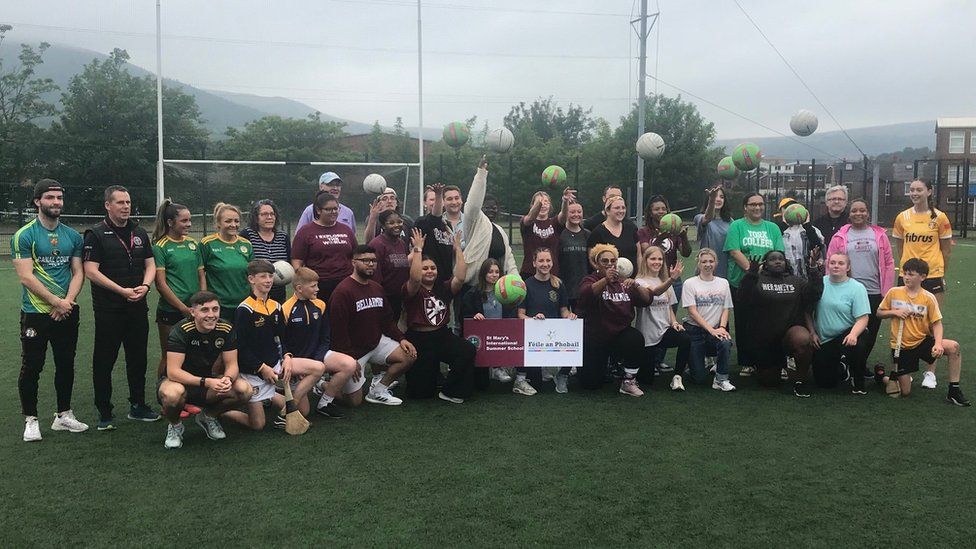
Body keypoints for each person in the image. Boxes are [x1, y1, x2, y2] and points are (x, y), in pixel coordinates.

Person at [13, 179, 89, 441]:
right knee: (32, 366)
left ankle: (63, 415)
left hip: (67, 310)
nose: (56, 202)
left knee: (65, 364)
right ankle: (31, 419)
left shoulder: (72, 236)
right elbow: (26, 276)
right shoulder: (24, 235)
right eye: (50, 198)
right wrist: (56, 302)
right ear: (37, 201)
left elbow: (78, 272)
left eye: (59, 197)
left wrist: (67, 301)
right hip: (35, 312)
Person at [83, 185, 159, 430]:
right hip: (109, 310)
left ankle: (138, 406)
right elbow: (90, 272)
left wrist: (146, 287)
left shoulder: (139, 232)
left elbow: (150, 265)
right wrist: (121, 291)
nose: (126, 206)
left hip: (138, 307)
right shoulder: (95, 233)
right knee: (104, 361)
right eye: (120, 202)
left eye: (128, 202)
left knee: (138, 359)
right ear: (108, 205)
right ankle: (105, 412)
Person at [223, 260, 326, 431]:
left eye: (270, 276)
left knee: (317, 369)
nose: (268, 280)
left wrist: (286, 357)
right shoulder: (244, 309)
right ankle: (220, 412)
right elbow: (240, 348)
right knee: (257, 425)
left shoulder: (276, 306)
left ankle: (285, 410)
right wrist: (262, 368)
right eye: (263, 276)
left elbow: (282, 339)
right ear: (251, 279)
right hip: (255, 372)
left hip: (276, 366)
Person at [156, 291, 252, 449]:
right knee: (173, 395)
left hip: (207, 382)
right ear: (193, 312)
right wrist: (207, 382)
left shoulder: (226, 328)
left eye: (215, 309)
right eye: (205, 310)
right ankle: (175, 425)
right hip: (177, 382)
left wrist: (227, 379)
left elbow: (232, 364)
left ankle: (208, 416)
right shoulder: (181, 330)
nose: (211, 315)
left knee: (244, 390)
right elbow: (173, 372)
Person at [577, 244, 675, 396]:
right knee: (591, 384)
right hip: (596, 336)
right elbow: (585, 294)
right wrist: (605, 280)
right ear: (596, 263)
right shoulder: (590, 279)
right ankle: (607, 366)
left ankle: (628, 381)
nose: (610, 264)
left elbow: (647, 299)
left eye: (613, 261)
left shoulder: (623, 282)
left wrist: (635, 285)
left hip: (619, 334)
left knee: (635, 338)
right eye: (605, 261)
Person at [328, 245, 417, 406]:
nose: (371, 264)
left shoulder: (376, 288)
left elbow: (387, 321)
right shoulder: (342, 292)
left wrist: (401, 339)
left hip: (375, 343)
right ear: (353, 262)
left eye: (374, 261)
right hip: (353, 352)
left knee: (409, 355)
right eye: (365, 260)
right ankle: (324, 386)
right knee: (353, 402)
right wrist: (349, 360)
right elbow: (338, 333)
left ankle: (379, 390)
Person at [876, 258, 969, 406]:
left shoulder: (928, 298)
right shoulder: (894, 292)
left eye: (911, 274)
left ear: (923, 277)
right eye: (905, 273)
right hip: (902, 347)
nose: (906, 277)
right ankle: (881, 376)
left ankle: (954, 391)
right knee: (905, 392)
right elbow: (879, 312)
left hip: (922, 341)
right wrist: (895, 312)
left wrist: (938, 344)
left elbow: (937, 323)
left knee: (953, 347)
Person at [891, 179, 952, 389]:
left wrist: (941, 273)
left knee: (930, 323)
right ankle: (906, 367)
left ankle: (931, 372)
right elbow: (900, 246)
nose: (914, 193)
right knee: (906, 321)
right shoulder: (902, 217)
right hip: (908, 276)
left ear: (929, 191)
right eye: (912, 190)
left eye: (919, 189)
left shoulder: (940, 217)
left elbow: (946, 250)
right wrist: (908, 272)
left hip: (933, 275)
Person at [826, 198, 895, 382]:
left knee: (870, 332)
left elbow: (888, 263)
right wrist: (832, 286)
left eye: (862, 210)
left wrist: (886, 291)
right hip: (848, 291)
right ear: (849, 214)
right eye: (855, 210)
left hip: (873, 292)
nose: (858, 213)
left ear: (867, 213)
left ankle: (859, 365)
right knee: (850, 329)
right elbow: (830, 261)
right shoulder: (840, 236)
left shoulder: (879, 235)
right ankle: (846, 363)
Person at [402, 229, 474, 402]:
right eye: (425, 268)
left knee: (467, 350)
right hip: (418, 338)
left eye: (432, 268)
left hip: (441, 335)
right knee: (421, 395)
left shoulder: (443, 287)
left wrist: (457, 250)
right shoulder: (412, 289)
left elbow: (461, 277)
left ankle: (451, 390)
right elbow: (415, 278)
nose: (429, 271)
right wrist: (418, 250)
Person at [738, 250, 822, 396]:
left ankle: (800, 380)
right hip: (765, 340)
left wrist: (813, 268)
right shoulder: (758, 280)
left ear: (786, 263)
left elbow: (814, 293)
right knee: (769, 382)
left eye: (781, 259)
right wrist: (751, 273)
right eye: (772, 259)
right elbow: (742, 298)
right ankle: (774, 366)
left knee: (803, 338)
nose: (777, 261)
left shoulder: (796, 281)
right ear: (765, 264)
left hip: (789, 334)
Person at [282, 267, 361, 418]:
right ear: (299, 288)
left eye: (317, 285)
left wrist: (317, 361)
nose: (317, 289)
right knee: (303, 412)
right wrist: (299, 366)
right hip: (296, 360)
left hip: (318, 356)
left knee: (349, 364)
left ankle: (325, 403)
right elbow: (282, 342)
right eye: (313, 286)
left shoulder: (320, 305)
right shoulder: (285, 309)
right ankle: (275, 395)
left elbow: (325, 337)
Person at [723, 192, 785, 377]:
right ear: (745, 207)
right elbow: (734, 251)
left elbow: (778, 253)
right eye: (753, 204)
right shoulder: (737, 226)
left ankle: (771, 360)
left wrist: (766, 272)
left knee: (770, 322)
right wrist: (754, 270)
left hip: (769, 282)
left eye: (760, 204)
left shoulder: (772, 227)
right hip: (742, 283)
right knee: (744, 322)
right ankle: (747, 362)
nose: (757, 207)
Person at [152, 200, 205, 382]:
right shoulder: (160, 246)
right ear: (170, 223)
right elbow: (160, 284)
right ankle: (165, 397)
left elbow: (201, 275)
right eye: (184, 221)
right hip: (171, 311)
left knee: (191, 355)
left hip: (194, 309)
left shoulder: (193, 244)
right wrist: (183, 308)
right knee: (169, 355)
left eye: (189, 220)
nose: (189, 224)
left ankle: (188, 396)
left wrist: (202, 302)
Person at [810, 253, 872, 394]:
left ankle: (858, 379)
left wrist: (854, 335)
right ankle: (842, 366)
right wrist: (812, 332)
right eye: (832, 263)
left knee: (860, 340)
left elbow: (863, 318)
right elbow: (807, 311)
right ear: (828, 265)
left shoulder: (857, 288)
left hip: (846, 335)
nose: (836, 266)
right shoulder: (820, 283)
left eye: (840, 263)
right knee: (824, 383)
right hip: (824, 339)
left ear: (848, 267)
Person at [634, 246, 694, 391]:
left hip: (665, 330)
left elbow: (669, 307)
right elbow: (655, 292)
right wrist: (671, 280)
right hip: (647, 335)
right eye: (653, 258)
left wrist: (674, 322)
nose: (657, 262)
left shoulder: (664, 280)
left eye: (660, 259)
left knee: (685, 338)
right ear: (645, 261)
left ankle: (677, 377)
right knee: (646, 381)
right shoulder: (639, 281)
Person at [518, 248, 577, 395]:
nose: (545, 264)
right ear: (534, 263)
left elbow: (564, 310)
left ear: (552, 262)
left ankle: (562, 374)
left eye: (548, 260)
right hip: (533, 338)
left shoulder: (558, 284)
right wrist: (533, 320)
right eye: (541, 260)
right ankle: (538, 369)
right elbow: (520, 315)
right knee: (537, 384)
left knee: (574, 331)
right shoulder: (526, 285)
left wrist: (569, 316)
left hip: (554, 335)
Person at [680, 248, 736, 391]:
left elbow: (726, 308)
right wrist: (711, 330)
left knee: (725, 342)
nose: (707, 264)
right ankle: (691, 364)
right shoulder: (690, 283)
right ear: (698, 264)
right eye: (704, 261)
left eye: (711, 261)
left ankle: (721, 379)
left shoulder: (723, 283)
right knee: (698, 378)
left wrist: (722, 328)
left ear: (716, 263)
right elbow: (692, 312)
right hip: (695, 331)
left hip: (716, 329)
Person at [463, 259, 519, 388]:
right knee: (481, 385)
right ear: (483, 274)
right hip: (482, 338)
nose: (494, 275)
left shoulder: (506, 293)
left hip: (499, 336)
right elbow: (464, 317)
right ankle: (486, 368)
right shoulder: (472, 294)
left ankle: (498, 367)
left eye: (497, 272)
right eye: (490, 272)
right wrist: (473, 315)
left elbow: (511, 314)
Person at [291, 191, 357, 301]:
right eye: (328, 209)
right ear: (318, 210)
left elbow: (356, 255)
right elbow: (297, 261)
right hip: (318, 286)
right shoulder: (306, 231)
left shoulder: (346, 230)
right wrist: (305, 282)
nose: (333, 212)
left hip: (345, 283)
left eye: (336, 209)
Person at [201, 203, 253, 321]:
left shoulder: (246, 244)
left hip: (244, 305)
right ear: (218, 223)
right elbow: (200, 274)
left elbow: (251, 275)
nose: (233, 225)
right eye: (228, 221)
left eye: (236, 221)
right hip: (218, 306)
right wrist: (204, 299)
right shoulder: (207, 243)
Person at [240, 199, 291, 303]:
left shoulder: (283, 237)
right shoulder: (247, 235)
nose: (269, 217)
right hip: (254, 296)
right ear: (256, 217)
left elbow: (289, 262)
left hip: (279, 296)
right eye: (264, 214)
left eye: (272, 214)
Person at [368, 209, 411, 320]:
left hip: (399, 297)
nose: (396, 225)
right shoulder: (377, 244)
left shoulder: (401, 243)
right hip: (384, 298)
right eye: (391, 223)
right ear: (382, 225)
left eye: (399, 222)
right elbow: (374, 276)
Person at [520, 190, 569, 278]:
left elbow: (564, 216)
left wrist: (565, 201)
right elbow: (530, 218)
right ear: (532, 205)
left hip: (551, 273)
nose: (543, 204)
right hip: (529, 273)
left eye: (546, 202)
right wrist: (539, 204)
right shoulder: (527, 223)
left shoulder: (554, 223)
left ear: (550, 206)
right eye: (539, 202)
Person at [413, 183, 457, 283]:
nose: (436, 202)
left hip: (446, 280)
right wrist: (438, 194)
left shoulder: (447, 225)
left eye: (439, 199)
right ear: (424, 202)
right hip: (428, 278)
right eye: (432, 199)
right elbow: (435, 217)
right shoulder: (422, 222)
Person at [586, 195, 639, 267]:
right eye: (617, 208)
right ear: (607, 211)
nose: (621, 211)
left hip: (633, 277)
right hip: (608, 277)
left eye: (623, 208)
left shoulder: (631, 228)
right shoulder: (598, 232)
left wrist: (639, 275)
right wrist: (605, 274)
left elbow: (639, 255)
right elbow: (592, 259)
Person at [694, 186, 733, 279]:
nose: (718, 199)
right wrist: (712, 200)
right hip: (705, 271)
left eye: (721, 197)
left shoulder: (731, 222)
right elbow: (707, 218)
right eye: (715, 196)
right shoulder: (699, 217)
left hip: (725, 271)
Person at [559, 201, 590, 311]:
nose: (576, 214)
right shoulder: (560, 234)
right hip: (564, 287)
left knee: (582, 322)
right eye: (572, 212)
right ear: (566, 214)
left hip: (582, 288)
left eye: (579, 212)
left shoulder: (587, 234)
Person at [779, 205, 824, 278]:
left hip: (807, 277)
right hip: (786, 279)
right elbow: (774, 243)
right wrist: (784, 223)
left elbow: (817, 247)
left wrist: (807, 225)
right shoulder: (781, 230)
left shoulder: (812, 230)